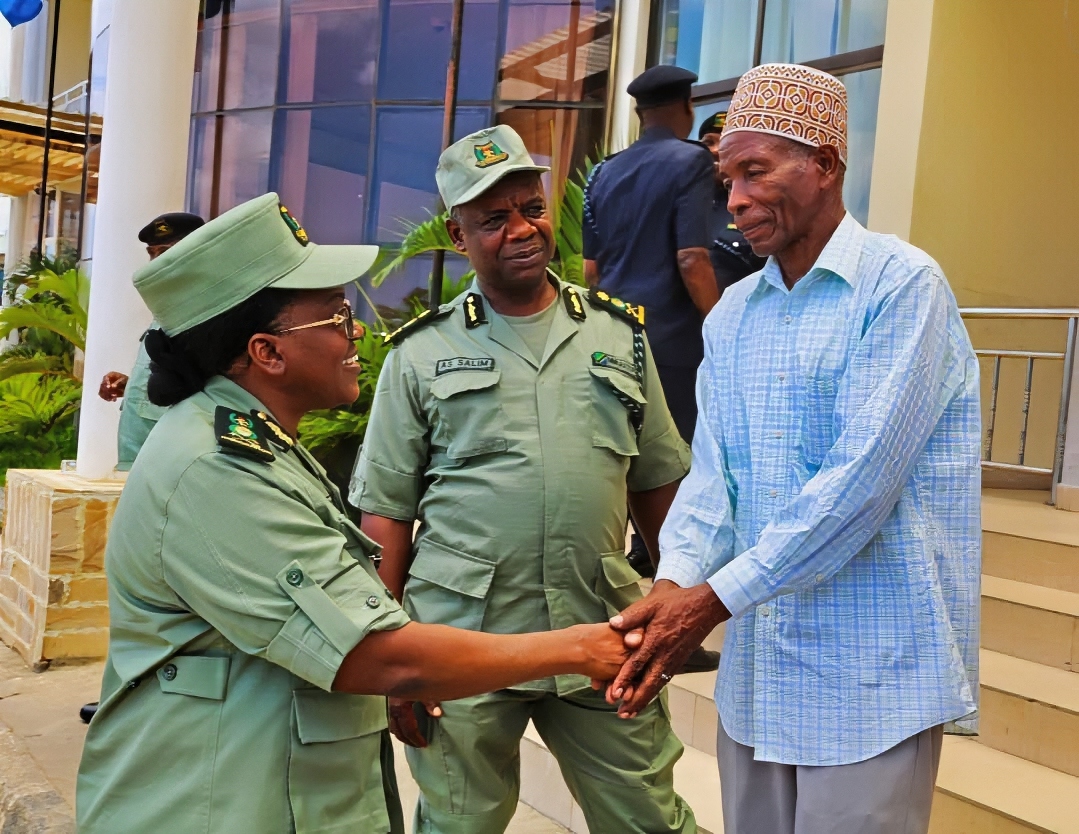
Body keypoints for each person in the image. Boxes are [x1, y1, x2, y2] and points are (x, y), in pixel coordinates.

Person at [75, 193, 632, 834]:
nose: (356, 332)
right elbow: (378, 656)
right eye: (336, 316)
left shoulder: (254, 440)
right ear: (267, 352)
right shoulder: (215, 467)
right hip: (217, 803)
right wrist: (578, 646)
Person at [601, 63, 981, 834]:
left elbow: (860, 486)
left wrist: (707, 602)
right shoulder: (733, 315)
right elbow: (712, 484)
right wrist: (671, 585)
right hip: (761, 678)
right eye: (725, 178)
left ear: (825, 166)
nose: (734, 199)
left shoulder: (902, 286)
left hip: (871, 677)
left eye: (754, 171)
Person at [350, 124, 696, 834]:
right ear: (456, 234)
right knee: (459, 822)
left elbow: (658, 485)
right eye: (493, 218)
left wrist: (674, 605)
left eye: (529, 208)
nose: (521, 229)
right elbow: (384, 515)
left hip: (600, 624)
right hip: (458, 638)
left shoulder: (617, 335)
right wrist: (392, 661)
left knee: (647, 817)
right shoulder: (419, 355)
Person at [97, 211, 205, 471]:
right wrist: (133, 383)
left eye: (165, 251)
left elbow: (205, 388)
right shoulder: (168, 305)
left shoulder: (205, 308)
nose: (156, 261)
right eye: (152, 253)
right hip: (138, 457)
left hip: (164, 465)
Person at [696, 112, 765, 294]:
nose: (716, 150)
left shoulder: (759, 202)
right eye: (708, 142)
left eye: (725, 141)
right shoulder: (688, 202)